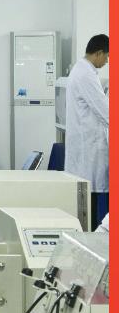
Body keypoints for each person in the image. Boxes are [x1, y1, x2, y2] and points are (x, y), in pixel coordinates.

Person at [64, 34, 108, 229]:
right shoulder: (85, 75)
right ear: (98, 53)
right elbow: (105, 111)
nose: (107, 61)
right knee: (89, 201)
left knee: (88, 198)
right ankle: (89, 238)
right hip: (88, 148)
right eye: (107, 56)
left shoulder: (82, 70)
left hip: (86, 146)